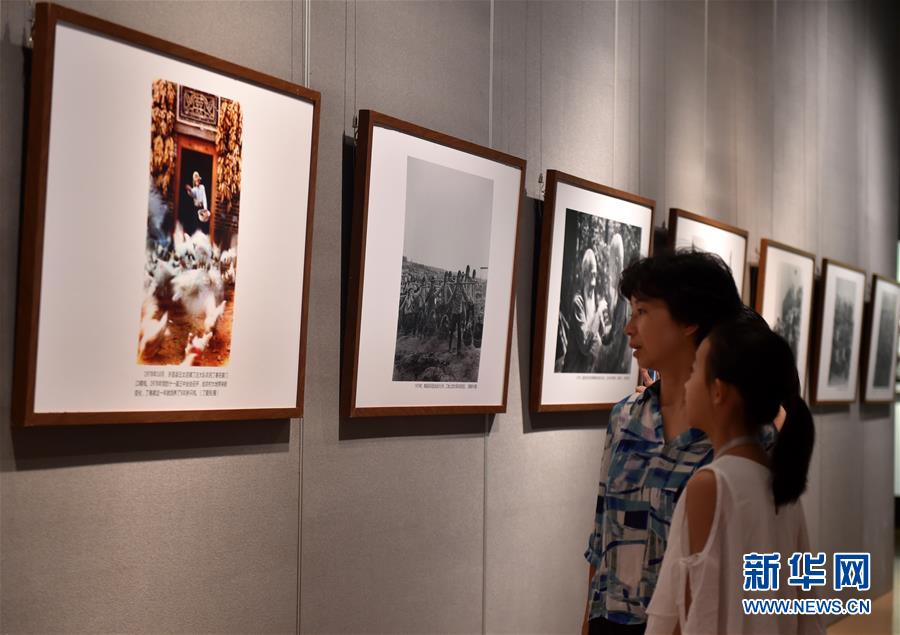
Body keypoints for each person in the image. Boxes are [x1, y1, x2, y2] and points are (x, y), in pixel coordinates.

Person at [582, 250, 776, 635]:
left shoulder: (743, 433)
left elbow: (755, 557)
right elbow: (601, 535)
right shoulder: (625, 417)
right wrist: (587, 620)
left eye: (642, 312)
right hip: (614, 620)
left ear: (688, 321)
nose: (628, 328)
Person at [645, 310, 823, 635]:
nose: (687, 382)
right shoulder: (781, 482)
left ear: (718, 391)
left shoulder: (711, 484)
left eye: (695, 370)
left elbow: (694, 614)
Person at [594, 233, 630, 374]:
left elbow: (615, 351)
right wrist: (605, 333)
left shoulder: (622, 299)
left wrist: (599, 345)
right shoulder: (617, 292)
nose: (608, 270)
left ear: (616, 261)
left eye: (609, 263)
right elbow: (614, 333)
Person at [565, 248, 605, 372]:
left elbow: (602, 335)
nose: (593, 287)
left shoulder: (595, 299)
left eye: (595, 275)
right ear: (584, 275)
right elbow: (585, 346)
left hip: (588, 370)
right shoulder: (578, 303)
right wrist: (598, 313)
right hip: (574, 371)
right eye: (591, 274)